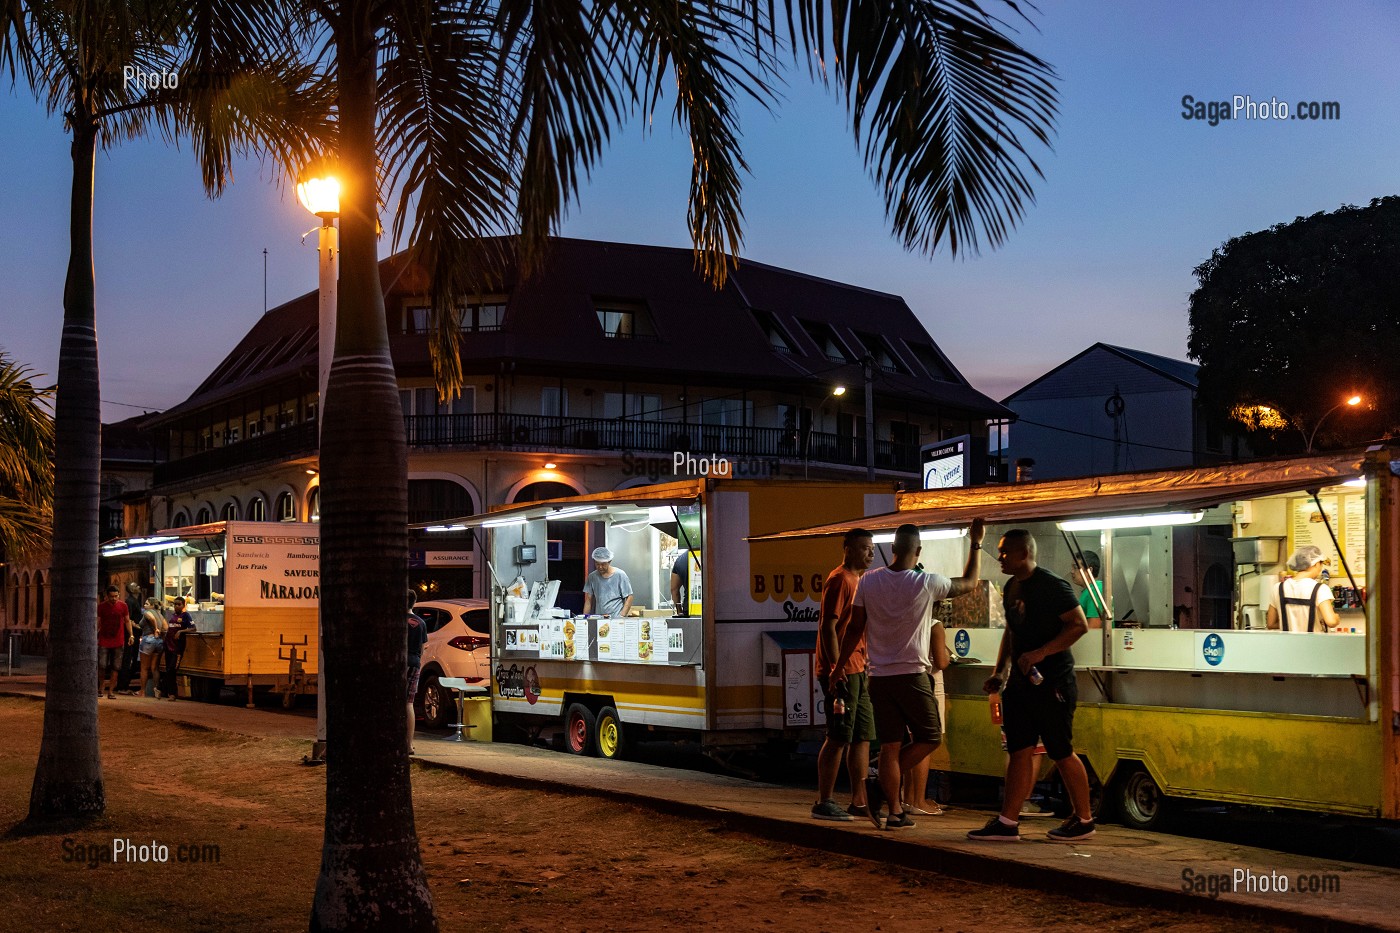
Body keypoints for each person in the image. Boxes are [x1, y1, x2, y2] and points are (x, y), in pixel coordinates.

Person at [832, 520, 983, 830]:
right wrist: (976, 543)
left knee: (890, 744)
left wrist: (838, 667)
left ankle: (896, 812)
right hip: (912, 676)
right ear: (918, 551)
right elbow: (970, 582)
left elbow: (853, 629)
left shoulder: (869, 582)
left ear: (892, 549)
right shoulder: (927, 582)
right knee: (929, 737)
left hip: (878, 678)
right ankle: (877, 783)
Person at [968, 529, 1096, 843]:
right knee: (1019, 749)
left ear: (1024, 553)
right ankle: (1007, 822)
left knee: (1060, 750)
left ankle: (1084, 819)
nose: (999, 557)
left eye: (1004, 552)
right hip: (1020, 685)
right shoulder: (1012, 586)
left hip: (1053, 682)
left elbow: (1079, 625)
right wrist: (1000, 672)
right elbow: (1011, 634)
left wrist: (1041, 652)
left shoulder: (1053, 586)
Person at [811, 528, 877, 822]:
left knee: (862, 735)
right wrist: (836, 669)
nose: (870, 553)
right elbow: (829, 626)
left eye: (872, 548)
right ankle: (824, 801)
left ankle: (859, 801)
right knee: (838, 736)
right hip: (842, 670)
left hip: (859, 668)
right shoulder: (839, 580)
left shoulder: (860, 581)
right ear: (848, 549)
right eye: (864, 548)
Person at [1266, 545, 1341, 633]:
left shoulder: (1278, 588)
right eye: (1321, 565)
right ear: (1316, 564)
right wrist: (1336, 618)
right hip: (1312, 645)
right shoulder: (1320, 589)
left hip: (1287, 645)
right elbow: (1331, 622)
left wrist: (1292, 625)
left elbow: (1270, 624)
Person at [97, 586, 135, 699]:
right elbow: (98, 621)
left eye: (116, 596)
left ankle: (111, 691)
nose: (114, 599)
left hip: (118, 640)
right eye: (111, 597)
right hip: (104, 639)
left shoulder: (123, 606)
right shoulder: (102, 606)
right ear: (107, 596)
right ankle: (101, 686)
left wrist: (131, 635)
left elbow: (127, 620)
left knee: (116, 666)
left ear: (118, 595)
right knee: (102, 665)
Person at [159, 596, 197, 700]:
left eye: (178, 604)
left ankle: (168, 692)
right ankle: (168, 693)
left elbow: (193, 628)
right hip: (168, 646)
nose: (176, 606)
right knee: (168, 669)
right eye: (174, 604)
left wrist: (181, 631)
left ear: (183, 605)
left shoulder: (186, 616)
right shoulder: (173, 616)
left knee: (172, 669)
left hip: (178, 648)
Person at [582, 547, 633, 618]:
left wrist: (621, 616)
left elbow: (629, 597)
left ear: (609, 561)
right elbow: (588, 600)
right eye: (597, 564)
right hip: (600, 618)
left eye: (603, 564)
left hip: (616, 618)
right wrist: (585, 617)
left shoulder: (620, 575)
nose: (600, 567)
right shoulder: (592, 577)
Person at [406, 590, 427, 754]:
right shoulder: (421, 623)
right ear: (414, 603)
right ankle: (409, 745)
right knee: (408, 704)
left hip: (398, 664)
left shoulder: (395, 621)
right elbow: (422, 649)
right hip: (414, 663)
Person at [136, 598, 167, 697]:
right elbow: (166, 627)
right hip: (159, 642)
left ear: (152, 605)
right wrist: (160, 634)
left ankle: (142, 691)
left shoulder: (147, 612)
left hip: (149, 640)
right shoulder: (160, 614)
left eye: (147, 603)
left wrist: (155, 629)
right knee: (155, 668)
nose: (144, 605)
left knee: (144, 668)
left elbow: (151, 618)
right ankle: (156, 690)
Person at [1070, 550, 1107, 628]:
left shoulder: (1096, 590)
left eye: (1076, 567)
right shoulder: (1089, 590)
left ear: (1089, 570)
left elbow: (1093, 628)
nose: (1072, 571)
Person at [118, 582, 143, 692]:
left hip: (134, 634)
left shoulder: (136, 601)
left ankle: (124, 685)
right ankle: (122, 686)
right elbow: (128, 619)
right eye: (136, 586)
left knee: (131, 660)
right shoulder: (130, 601)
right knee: (128, 660)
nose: (139, 586)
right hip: (131, 636)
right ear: (132, 590)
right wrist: (137, 627)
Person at [669, 550, 692, 617]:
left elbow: (674, 590)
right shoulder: (713, 555)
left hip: (688, 608)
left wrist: (679, 611)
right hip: (714, 608)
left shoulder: (680, 560)